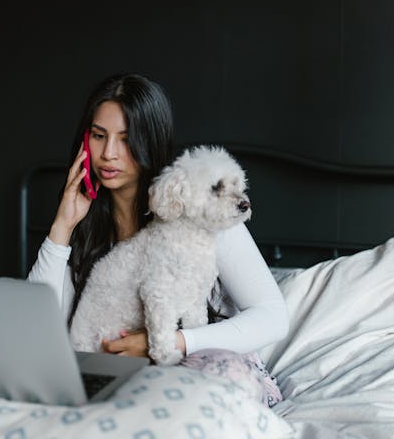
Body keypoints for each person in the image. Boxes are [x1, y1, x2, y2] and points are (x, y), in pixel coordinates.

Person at [28, 73, 289, 406]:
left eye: (126, 138)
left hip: (197, 365)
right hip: (119, 377)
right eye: (98, 135)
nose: (108, 153)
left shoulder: (203, 209)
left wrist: (172, 341)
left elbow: (272, 315)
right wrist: (62, 226)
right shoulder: (84, 222)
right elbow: (40, 327)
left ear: (150, 141)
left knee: (220, 385)